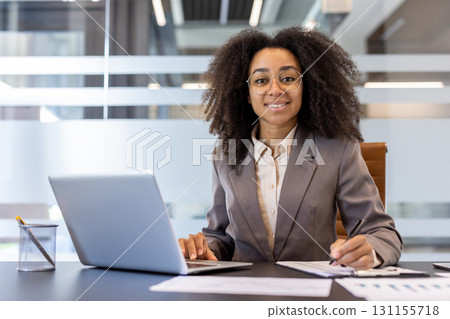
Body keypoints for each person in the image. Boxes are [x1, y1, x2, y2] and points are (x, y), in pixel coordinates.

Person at [178, 27, 403, 270]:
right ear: (246, 93)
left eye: (288, 78)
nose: (275, 90)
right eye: (261, 80)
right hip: (243, 292)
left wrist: (370, 250)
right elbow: (220, 236)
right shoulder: (226, 153)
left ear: (306, 86)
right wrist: (203, 250)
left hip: (313, 294)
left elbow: (382, 233)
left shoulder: (338, 149)